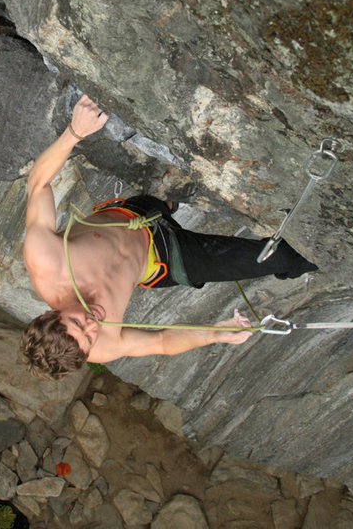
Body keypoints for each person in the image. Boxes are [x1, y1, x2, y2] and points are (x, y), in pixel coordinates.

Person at [20, 95, 317, 379]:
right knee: (283, 257)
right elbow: (161, 343)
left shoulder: (46, 263)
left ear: (51, 312)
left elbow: (39, 184)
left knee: (176, 181)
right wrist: (215, 333)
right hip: (165, 258)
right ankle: (316, 255)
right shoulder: (102, 346)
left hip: (133, 213)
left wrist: (74, 132)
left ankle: (170, 202)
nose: (93, 323)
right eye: (89, 337)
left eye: (77, 323)